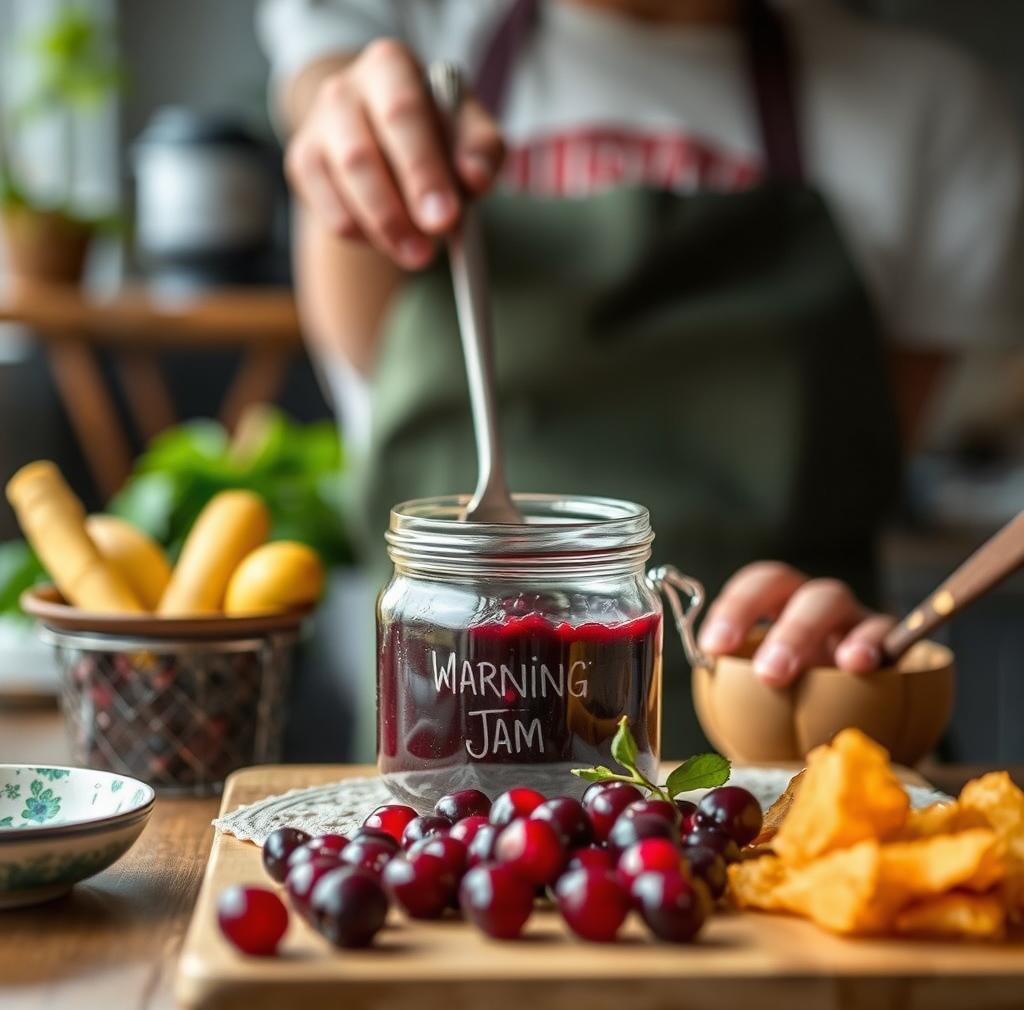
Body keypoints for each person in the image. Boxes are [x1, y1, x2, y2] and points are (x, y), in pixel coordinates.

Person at [256, 0, 1024, 759]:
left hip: (785, 755)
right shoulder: (412, 27)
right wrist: (338, 113)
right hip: (444, 781)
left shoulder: (933, 114)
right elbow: (321, 58)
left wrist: (851, 663)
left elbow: (855, 469)